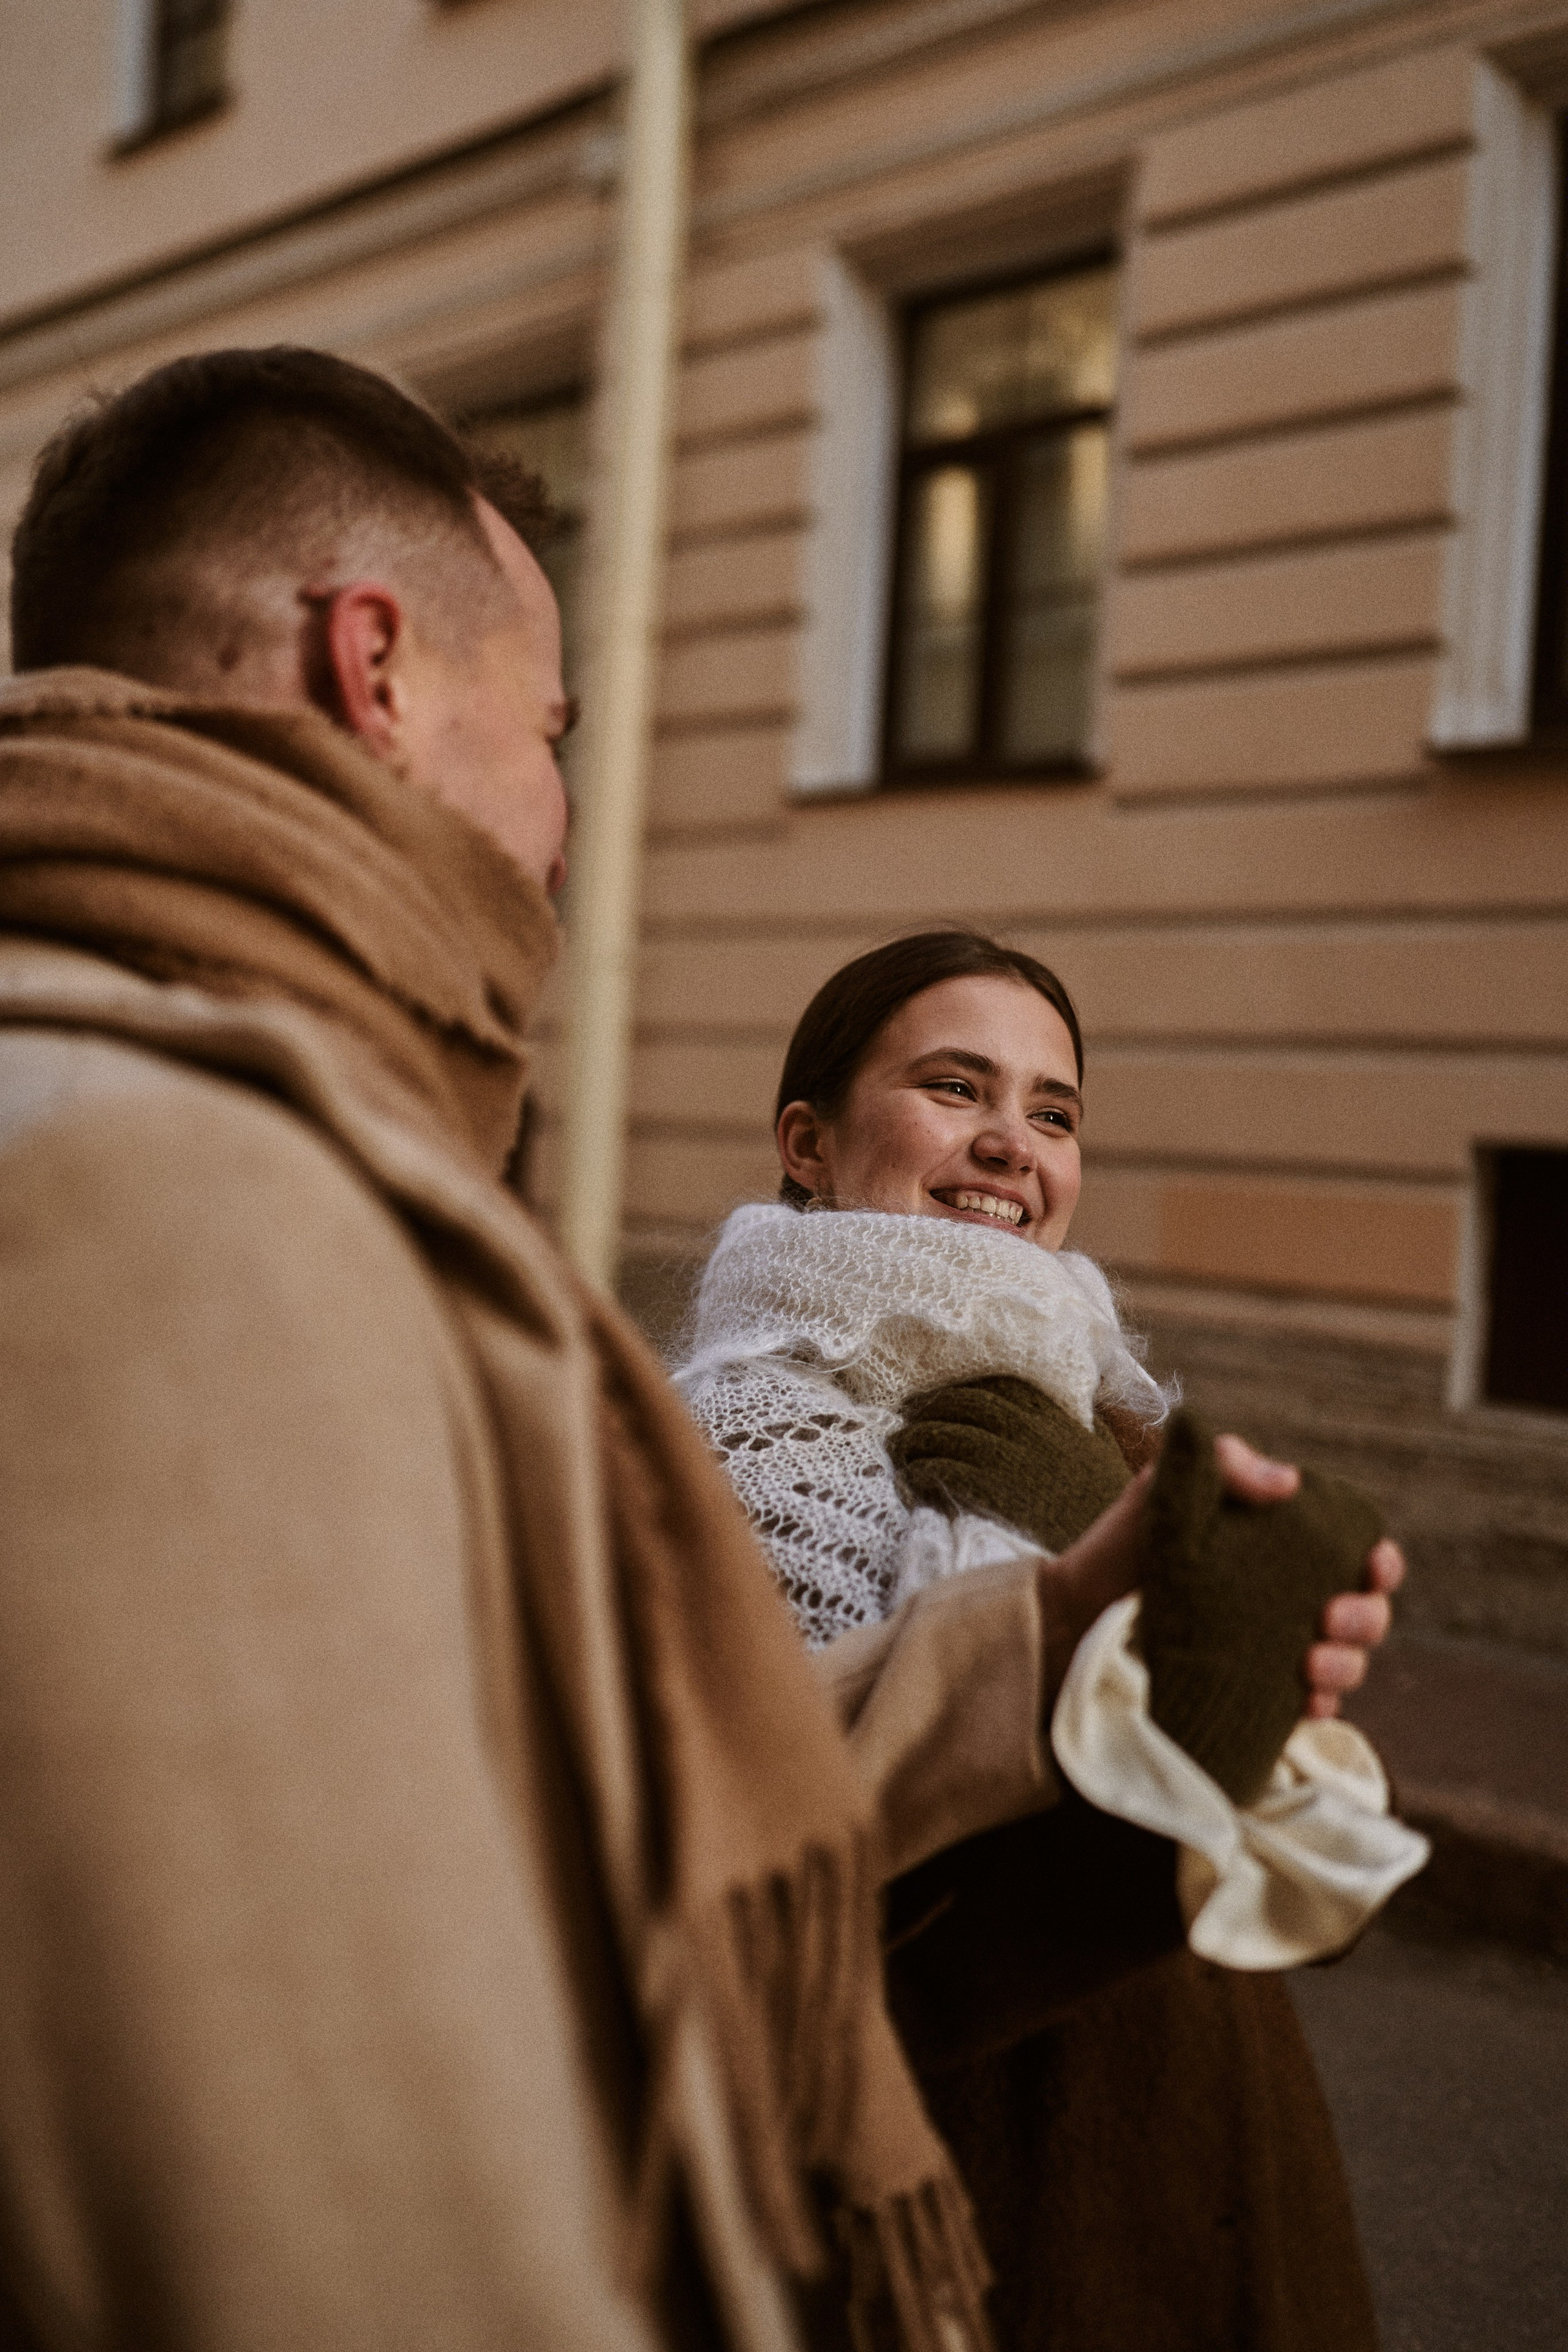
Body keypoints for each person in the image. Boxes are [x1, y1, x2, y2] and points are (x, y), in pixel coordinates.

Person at [0, 349, 1038, 2352]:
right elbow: (327, 2204)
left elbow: (548, 1819)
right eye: (547, 726)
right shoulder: (180, 1209)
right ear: (373, 666)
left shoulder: (187, 1109)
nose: (563, 822)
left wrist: (1046, 1639)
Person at [674, 930, 1427, 2352]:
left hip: (1196, 2172)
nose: (1011, 1143)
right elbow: (741, 1881)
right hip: (926, 2190)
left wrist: (1120, 1556)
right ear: (807, 1143)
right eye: (955, 1089)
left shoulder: (1119, 1433)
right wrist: (1069, 1616)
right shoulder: (711, 1458)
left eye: (1053, 1111)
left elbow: (1308, 1880)